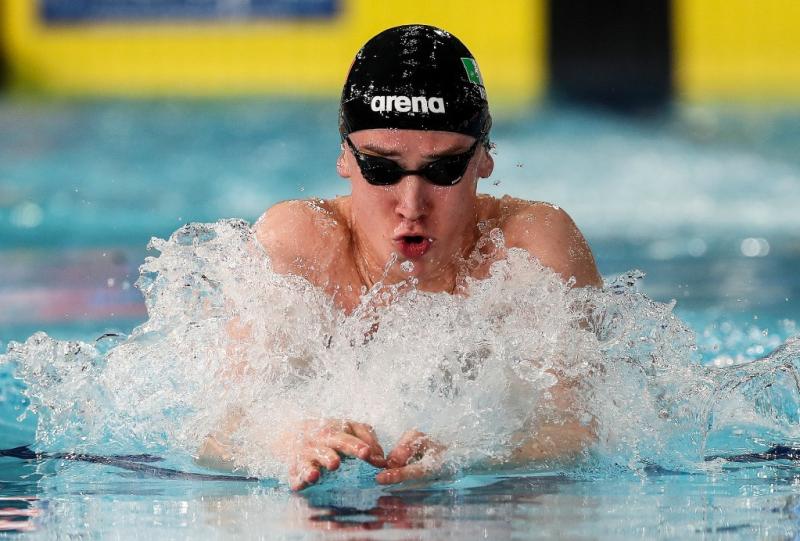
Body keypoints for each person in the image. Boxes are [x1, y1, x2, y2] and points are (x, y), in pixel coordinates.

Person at [198, 24, 602, 490]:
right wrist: (290, 440)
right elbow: (218, 431)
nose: (411, 204)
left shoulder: (528, 249)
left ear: (485, 159)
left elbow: (578, 429)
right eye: (381, 168)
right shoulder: (299, 247)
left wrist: (478, 454)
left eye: (444, 169)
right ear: (344, 159)